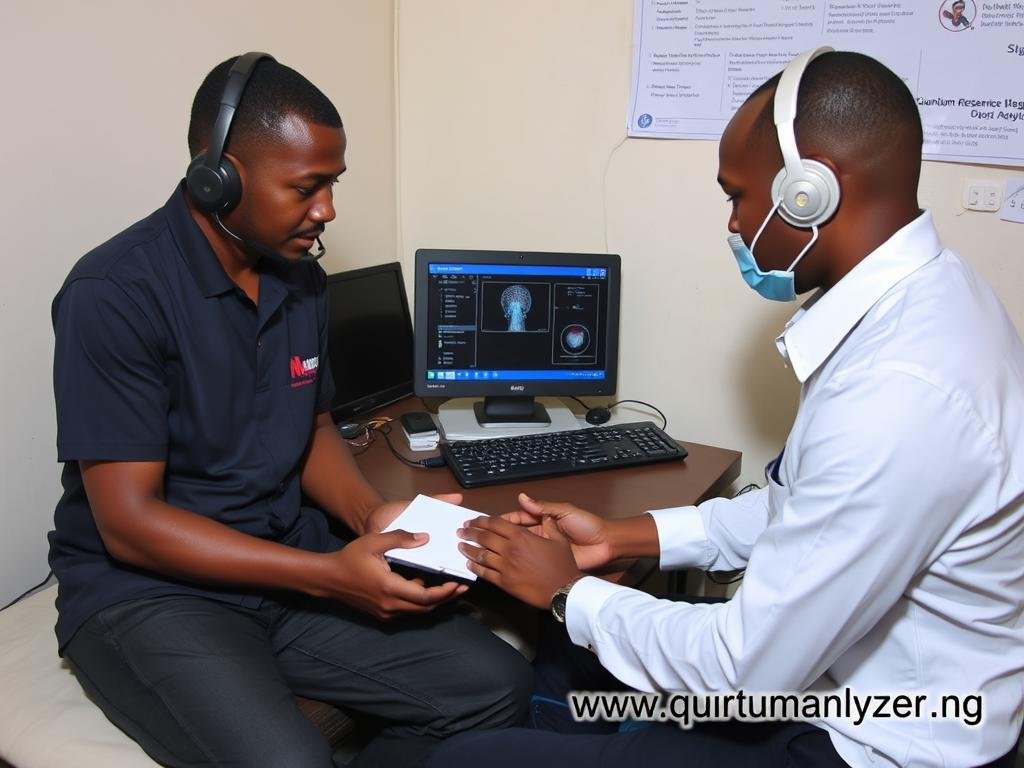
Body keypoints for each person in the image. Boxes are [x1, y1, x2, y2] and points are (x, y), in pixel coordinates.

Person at [430, 49, 1024, 767]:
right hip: (828, 674)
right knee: (573, 655)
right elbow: (801, 508)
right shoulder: (920, 301)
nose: (736, 225)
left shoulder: (902, 390)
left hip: (873, 736)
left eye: (739, 195)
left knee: (464, 756)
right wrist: (628, 536)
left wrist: (566, 588)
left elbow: (744, 673)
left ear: (812, 192)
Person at [49, 53, 530, 768]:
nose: (328, 209)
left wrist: (370, 516)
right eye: (308, 187)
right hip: (151, 593)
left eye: (332, 184)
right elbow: (130, 524)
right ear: (219, 178)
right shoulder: (114, 294)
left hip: (287, 556)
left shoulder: (300, 279)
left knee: (497, 685)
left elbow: (310, 426)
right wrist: (333, 577)